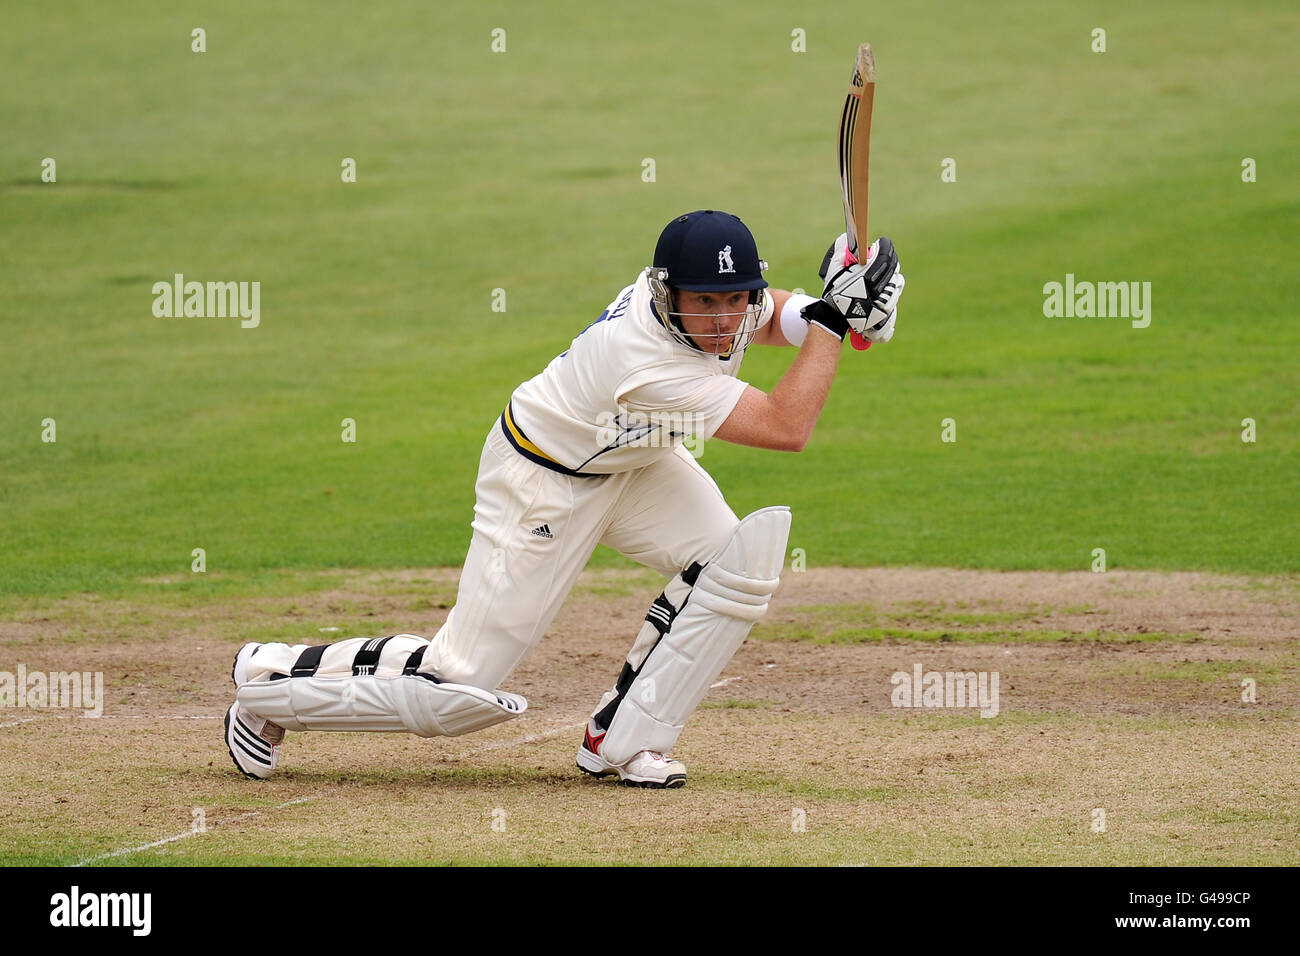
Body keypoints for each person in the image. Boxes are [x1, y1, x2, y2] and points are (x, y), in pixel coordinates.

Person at [224, 209, 905, 788]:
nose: (725, 320)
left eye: (735, 299)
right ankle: (271, 684)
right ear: (668, 296)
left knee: (736, 559)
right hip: (543, 480)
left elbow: (775, 314)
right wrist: (835, 321)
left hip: (632, 461)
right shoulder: (640, 359)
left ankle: (625, 739)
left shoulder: (716, 305)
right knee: (454, 690)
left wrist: (842, 312)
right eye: (706, 302)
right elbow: (788, 427)